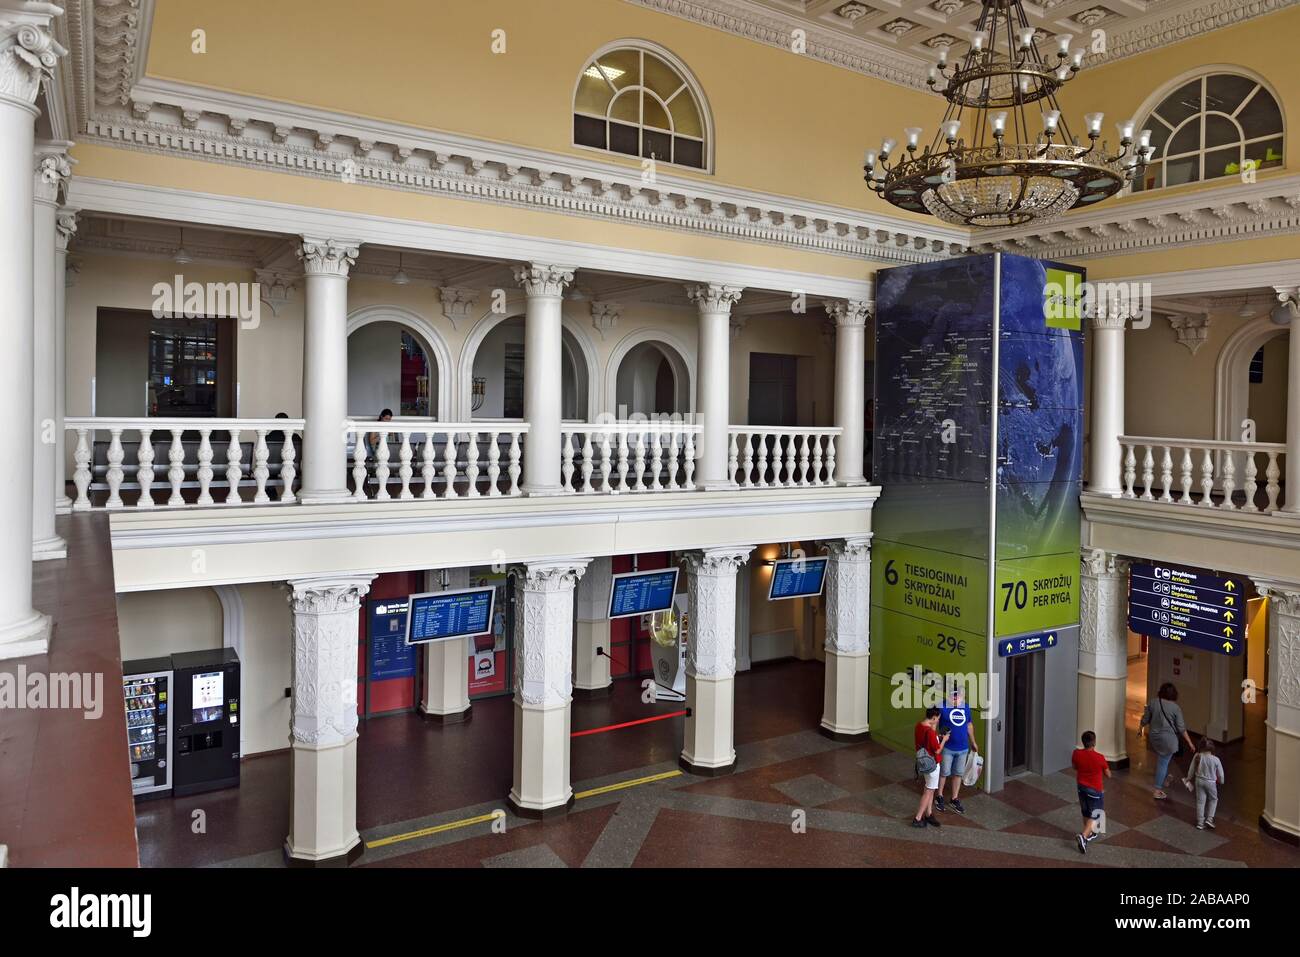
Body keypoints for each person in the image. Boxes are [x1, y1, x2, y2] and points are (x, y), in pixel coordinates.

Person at [1140, 682, 1196, 799]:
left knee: (1163, 759)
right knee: (1163, 762)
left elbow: (1145, 719)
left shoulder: (1153, 702)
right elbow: (1181, 728)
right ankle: (1158, 789)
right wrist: (1190, 743)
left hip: (1154, 738)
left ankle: (1165, 778)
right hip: (1169, 740)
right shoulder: (1175, 708)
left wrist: (1140, 728)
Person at [935, 686, 978, 814]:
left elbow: (969, 725)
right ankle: (939, 796)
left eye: (958, 695)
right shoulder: (941, 706)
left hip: (963, 748)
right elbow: (934, 723)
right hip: (947, 747)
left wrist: (973, 742)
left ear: (962, 696)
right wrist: (935, 740)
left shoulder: (966, 707)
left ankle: (954, 798)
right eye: (953, 695)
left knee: (958, 774)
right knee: (944, 773)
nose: (955, 698)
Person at [1072, 730, 1111, 854]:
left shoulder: (1076, 753)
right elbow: (1108, 774)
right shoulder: (1099, 758)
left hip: (1081, 787)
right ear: (1094, 742)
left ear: (1083, 742)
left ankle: (1090, 833)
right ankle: (1083, 836)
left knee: (1086, 811)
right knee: (1096, 814)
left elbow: (1074, 767)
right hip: (1095, 790)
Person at [912, 707, 948, 829]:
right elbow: (937, 750)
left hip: (923, 761)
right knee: (928, 791)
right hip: (932, 764)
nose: (938, 721)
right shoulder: (931, 733)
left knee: (930, 788)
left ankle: (929, 814)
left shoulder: (919, 726)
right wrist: (944, 740)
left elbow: (927, 741)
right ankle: (918, 818)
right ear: (933, 718)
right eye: (937, 719)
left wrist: (935, 735)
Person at [1186, 738, 1225, 830]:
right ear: (1212, 748)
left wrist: (1188, 778)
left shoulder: (1197, 756)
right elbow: (1221, 775)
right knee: (1213, 799)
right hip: (1211, 783)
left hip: (1198, 781)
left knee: (1200, 802)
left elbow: (1191, 770)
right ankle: (1210, 819)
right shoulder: (1216, 759)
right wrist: (1221, 781)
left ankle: (1200, 823)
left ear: (1200, 747)